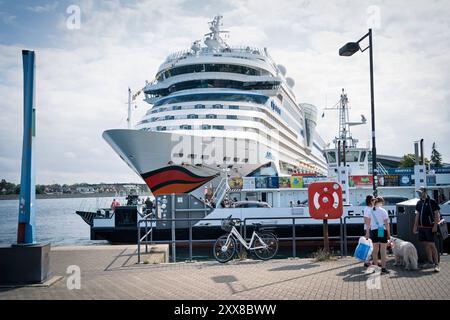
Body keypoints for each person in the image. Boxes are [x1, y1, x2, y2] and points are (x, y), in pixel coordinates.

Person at [413, 186, 441, 272]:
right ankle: (430, 262)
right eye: (418, 193)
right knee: (425, 245)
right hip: (421, 227)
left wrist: (435, 225)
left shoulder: (432, 201)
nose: (419, 194)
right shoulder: (419, 203)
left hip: (430, 227)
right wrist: (415, 226)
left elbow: (436, 214)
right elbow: (417, 215)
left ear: (425, 192)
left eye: (420, 192)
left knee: (432, 245)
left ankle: (437, 264)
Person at [365, 197, 391, 274]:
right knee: (383, 250)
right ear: (380, 202)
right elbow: (386, 223)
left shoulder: (370, 211)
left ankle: (376, 268)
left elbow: (368, 223)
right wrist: (389, 234)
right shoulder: (383, 211)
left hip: (373, 230)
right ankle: (383, 268)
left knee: (375, 251)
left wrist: (367, 233)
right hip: (381, 230)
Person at [363, 195, 376, 268]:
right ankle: (367, 261)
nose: (374, 201)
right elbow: (366, 220)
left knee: (374, 245)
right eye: (373, 200)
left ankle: (373, 261)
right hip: (370, 229)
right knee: (370, 245)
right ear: (370, 201)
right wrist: (367, 231)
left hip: (372, 228)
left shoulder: (371, 208)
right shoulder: (368, 209)